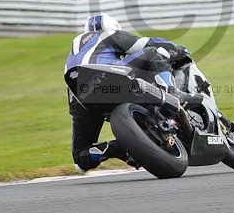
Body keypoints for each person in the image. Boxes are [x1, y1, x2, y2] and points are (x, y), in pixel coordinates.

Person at [64, 13, 202, 172]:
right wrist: (177, 49)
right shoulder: (108, 34)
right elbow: (147, 43)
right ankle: (172, 92)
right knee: (153, 52)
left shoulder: (76, 51)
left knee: (80, 157)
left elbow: (79, 165)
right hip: (107, 76)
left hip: (80, 94)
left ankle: (114, 148)